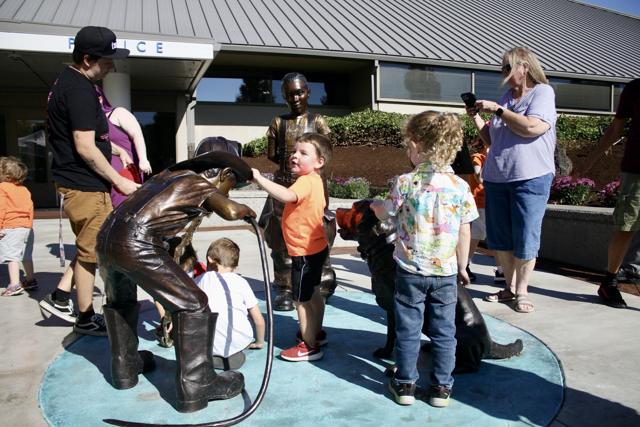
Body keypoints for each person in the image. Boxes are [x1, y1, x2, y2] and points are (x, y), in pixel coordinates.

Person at [96, 151, 255, 413]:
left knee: (120, 299)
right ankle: (197, 384)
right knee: (194, 304)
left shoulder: (164, 177)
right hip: (136, 241)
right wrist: (246, 212)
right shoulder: (197, 183)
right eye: (231, 185)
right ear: (224, 174)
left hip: (107, 238)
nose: (226, 191)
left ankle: (125, 367)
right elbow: (229, 210)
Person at [370, 111, 477, 408]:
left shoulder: (405, 182)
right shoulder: (461, 187)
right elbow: (465, 230)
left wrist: (378, 205)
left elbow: (385, 213)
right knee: (445, 332)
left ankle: (405, 384)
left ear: (416, 145)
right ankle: (441, 388)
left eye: (408, 147)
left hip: (411, 270)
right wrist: (463, 265)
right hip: (445, 272)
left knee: (409, 329)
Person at [39, 26, 138, 335]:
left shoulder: (68, 82)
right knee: (91, 253)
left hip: (80, 183)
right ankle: (84, 317)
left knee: (89, 245)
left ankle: (60, 296)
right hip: (85, 185)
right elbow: (83, 146)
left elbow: (89, 136)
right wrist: (119, 181)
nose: (112, 66)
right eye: (106, 60)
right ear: (86, 59)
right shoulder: (79, 90)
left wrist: (116, 147)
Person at [465, 46, 556, 314]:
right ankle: (509, 287)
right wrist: (478, 117)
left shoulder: (543, 93)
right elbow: (492, 140)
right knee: (500, 237)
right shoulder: (506, 98)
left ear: (524, 67)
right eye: (502, 68)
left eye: (507, 67)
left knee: (526, 235)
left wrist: (499, 111)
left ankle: (523, 291)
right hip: (497, 178)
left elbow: (532, 127)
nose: (503, 73)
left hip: (531, 177)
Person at [259, 72, 336, 311]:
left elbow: (327, 151)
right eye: (290, 93)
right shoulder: (278, 123)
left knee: (316, 233)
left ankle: (322, 279)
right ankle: (284, 286)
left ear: (308, 92)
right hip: (284, 186)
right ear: (283, 95)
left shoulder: (319, 122)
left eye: (299, 92)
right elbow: (272, 153)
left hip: (314, 187)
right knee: (281, 239)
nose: (295, 98)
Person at [252, 132, 332, 362]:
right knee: (314, 292)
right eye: (294, 152)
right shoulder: (316, 180)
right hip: (316, 248)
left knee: (301, 301)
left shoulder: (306, 181)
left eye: (303, 153)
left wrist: (260, 179)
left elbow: (287, 196)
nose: (294, 156)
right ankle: (316, 332)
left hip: (303, 253)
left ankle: (308, 346)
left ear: (319, 162)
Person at [574, 78, 640, 308]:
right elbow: (615, 128)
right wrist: (589, 161)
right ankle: (609, 283)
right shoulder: (634, 89)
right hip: (637, 170)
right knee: (626, 226)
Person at [196, 238, 265, 370]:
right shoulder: (241, 282)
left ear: (210, 259)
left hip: (205, 342)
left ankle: (212, 356)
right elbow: (259, 320)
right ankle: (230, 354)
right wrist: (259, 342)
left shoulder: (199, 281)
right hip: (238, 340)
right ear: (235, 266)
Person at [95, 85, 152, 207]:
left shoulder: (118, 113)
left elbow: (137, 134)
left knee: (127, 207)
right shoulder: (90, 123)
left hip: (126, 170)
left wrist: (143, 159)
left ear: (100, 99)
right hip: (106, 174)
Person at [154, 238, 207, 348]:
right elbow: (158, 296)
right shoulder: (167, 273)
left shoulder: (200, 270)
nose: (180, 270)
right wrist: (166, 319)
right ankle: (168, 326)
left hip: (195, 310)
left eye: (183, 266)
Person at [465, 137, 505, 283]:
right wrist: (490, 156)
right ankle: (465, 265)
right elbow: (480, 177)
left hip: (494, 203)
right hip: (480, 204)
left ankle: (501, 271)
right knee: (477, 235)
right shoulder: (477, 157)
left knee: (495, 237)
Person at [0, 156, 36, 296]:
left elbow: (1, 208)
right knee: (26, 256)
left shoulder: (2, 188)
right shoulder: (24, 190)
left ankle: (14, 285)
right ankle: (30, 279)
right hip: (26, 228)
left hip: (11, 227)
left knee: (12, 257)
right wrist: (29, 225)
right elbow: (30, 208)